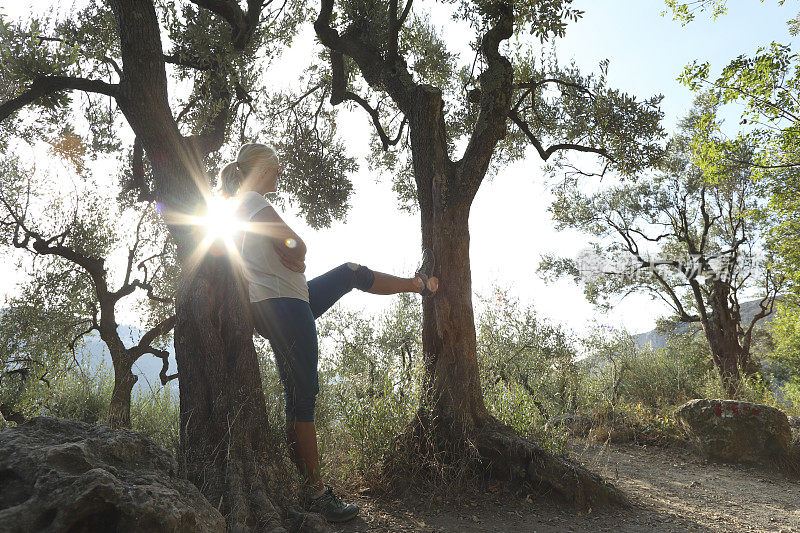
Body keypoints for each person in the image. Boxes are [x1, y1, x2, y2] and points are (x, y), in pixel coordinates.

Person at [218, 143, 438, 523]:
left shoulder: (241, 204)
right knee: (303, 400)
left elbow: (279, 252)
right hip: (284, 305)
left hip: (287, 300)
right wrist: (299, 254)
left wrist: (295, 258)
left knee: (350, 272)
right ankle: (317, 494)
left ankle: (418, 285)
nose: (282, 171)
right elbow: (296, 244)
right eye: (277, 165)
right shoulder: (251, 199)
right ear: (263, 168)